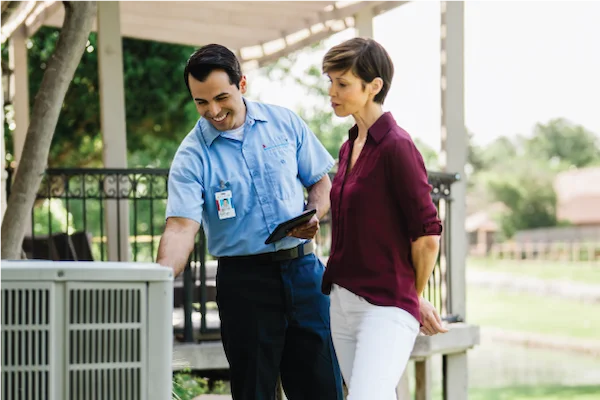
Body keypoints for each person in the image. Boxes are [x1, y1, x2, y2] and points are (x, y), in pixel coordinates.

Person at [156, 44, 343, 400]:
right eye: (200, 102)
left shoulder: (285, 122)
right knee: (254, 391)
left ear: (242, 84)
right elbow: (181, 227)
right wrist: (159, 279)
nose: (212, 110)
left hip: (304, 274)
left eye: (220, 97)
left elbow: (320, 182)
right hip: (244, 285)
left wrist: (313, 216)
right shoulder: (191, 155)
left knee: (322, 388)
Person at [320, 37, 448, 399]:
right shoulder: (348, 147)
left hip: (384, 307)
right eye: (330, 81)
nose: (332, 91)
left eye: (342, 83)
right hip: (342, 302)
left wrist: (410, 297)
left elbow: (426, 236)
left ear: (373, 86)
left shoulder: (397, 146)